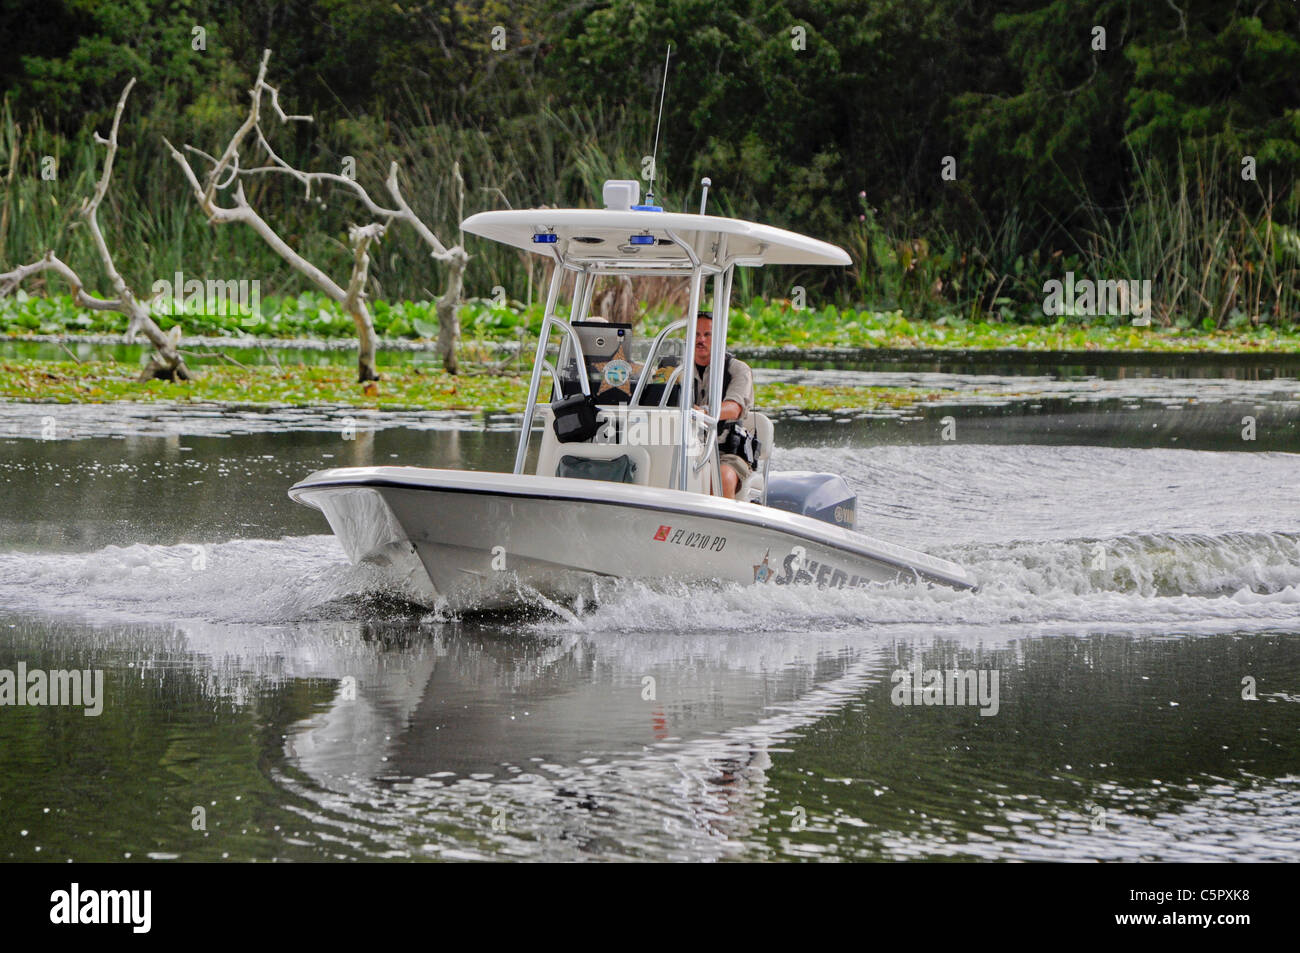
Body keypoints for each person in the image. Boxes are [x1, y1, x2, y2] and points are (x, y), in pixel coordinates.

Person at [690, 311, 756, 499]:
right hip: (684, 447)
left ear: (719, 337)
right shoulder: (674, 369)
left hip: (725, 451)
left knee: (722, 477)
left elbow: (734, 408)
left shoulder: (738, 370)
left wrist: (703, 412)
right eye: (696, 334)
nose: (700, 340)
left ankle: (718, 527)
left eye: (707, 335)